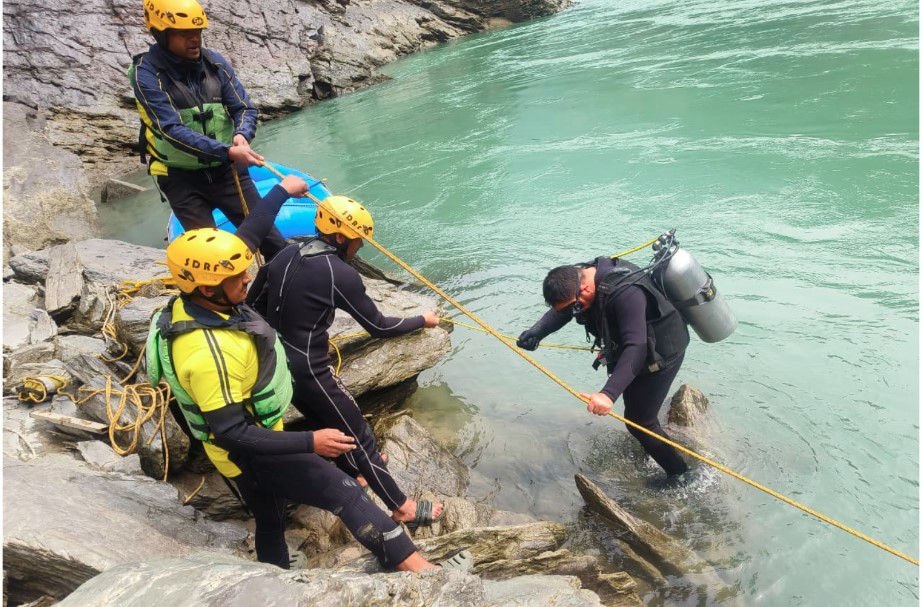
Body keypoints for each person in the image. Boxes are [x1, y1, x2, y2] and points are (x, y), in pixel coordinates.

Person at [146, 195, 471, 572]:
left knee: (269, 516)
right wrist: (422, 319)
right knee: (356, 447)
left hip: (276, 384)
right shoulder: (210, 353)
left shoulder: (252, 273)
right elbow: (379, 325)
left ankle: (276, 571)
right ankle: (408, 523)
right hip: (301, 381)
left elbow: (253, 286)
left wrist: (281, 190)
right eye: (236, 276)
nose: (246, 275)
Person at [247, 195, 445, 529]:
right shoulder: (340, 273)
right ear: (341, 237)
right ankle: (401, 507)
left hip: (276, 360)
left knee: (330, 422)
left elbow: (253, 304)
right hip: (308, 369)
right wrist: (422, 320)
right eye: (357, 241)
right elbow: (379, 326)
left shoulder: (285, 253)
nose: (359, 248)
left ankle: (357, 472)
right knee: (358, 434)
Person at [129, 0, 287, 260]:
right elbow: (170, 129)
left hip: (227, 172)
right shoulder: (146, 74)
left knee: (272, 242)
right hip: (182, 179)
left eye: (198, 31)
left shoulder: (215, 63)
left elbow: (244, 108)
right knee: (208, 256)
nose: (195, 40)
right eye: (184, 33)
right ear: (161, 33)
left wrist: (241, 135)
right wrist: (228, 151)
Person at [516, 255, 691, 478]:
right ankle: (652, 451)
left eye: (575, 307)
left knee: (640, 421)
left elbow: (636, 347)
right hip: (636, 347)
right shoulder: (581, 280)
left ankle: (681, 475)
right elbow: (565, 309)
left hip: (663, 352)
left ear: (586, 289)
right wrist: (537, 332)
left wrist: (608, 394)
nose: (574, 311)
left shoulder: (625, 293)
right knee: (636, 410)